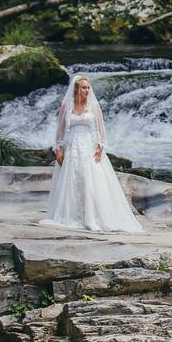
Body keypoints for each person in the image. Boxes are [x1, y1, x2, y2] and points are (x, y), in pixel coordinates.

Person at [39, 75, 143, 233]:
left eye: (88, 87)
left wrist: (101, 145)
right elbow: (60, 130)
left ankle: (92, 218)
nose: (87, 90)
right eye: (83, 87)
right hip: (72, 147)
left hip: (88, 147)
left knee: (92, 180)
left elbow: (101, 129)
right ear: (76, 89)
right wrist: (58, 149)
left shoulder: (93, 106)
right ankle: (73, 216)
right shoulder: (66, 105)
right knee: (72, 180)